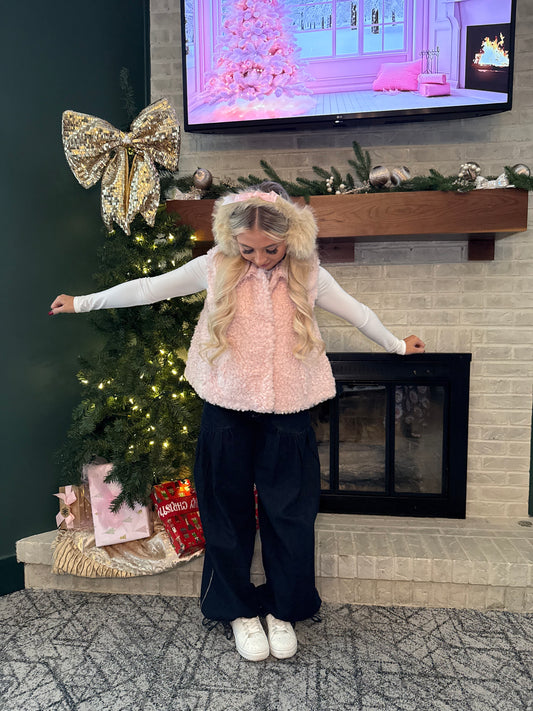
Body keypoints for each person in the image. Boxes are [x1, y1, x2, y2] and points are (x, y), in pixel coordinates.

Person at [50, 182, 425, 662]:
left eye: (271, 249)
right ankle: (237, 610)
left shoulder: (310, 273)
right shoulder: (213, 266)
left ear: (290, 237)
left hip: (288, 410)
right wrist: (82, 302)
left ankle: (284, 608)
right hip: (225, 406)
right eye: (248, 249)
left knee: (290, 514)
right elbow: (148, 288)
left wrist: (397, 345)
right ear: (232, 240)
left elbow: (358, 313)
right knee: (224, 513)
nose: (260, 259)